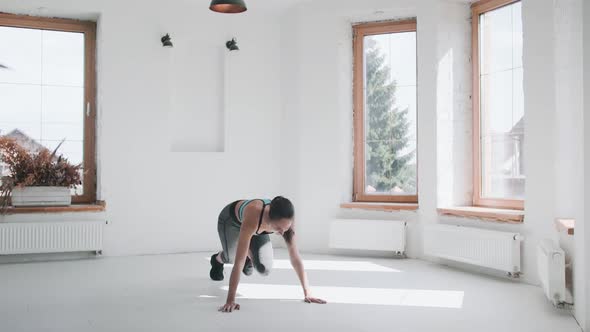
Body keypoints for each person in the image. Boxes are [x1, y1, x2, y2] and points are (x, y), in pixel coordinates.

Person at [210, 196, 327, 312]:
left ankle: (248, 253)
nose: (282, 232)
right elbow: (238, 262)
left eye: (285, 228)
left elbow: (295, 257)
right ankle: (217, 260)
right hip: (231, 221)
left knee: (264, 268)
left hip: (255, 228)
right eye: (278, 228)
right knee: (233, 258)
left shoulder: (287, 218)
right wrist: (230, 300)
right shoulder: (254, 213)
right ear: (269, 218)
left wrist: (308, 293)